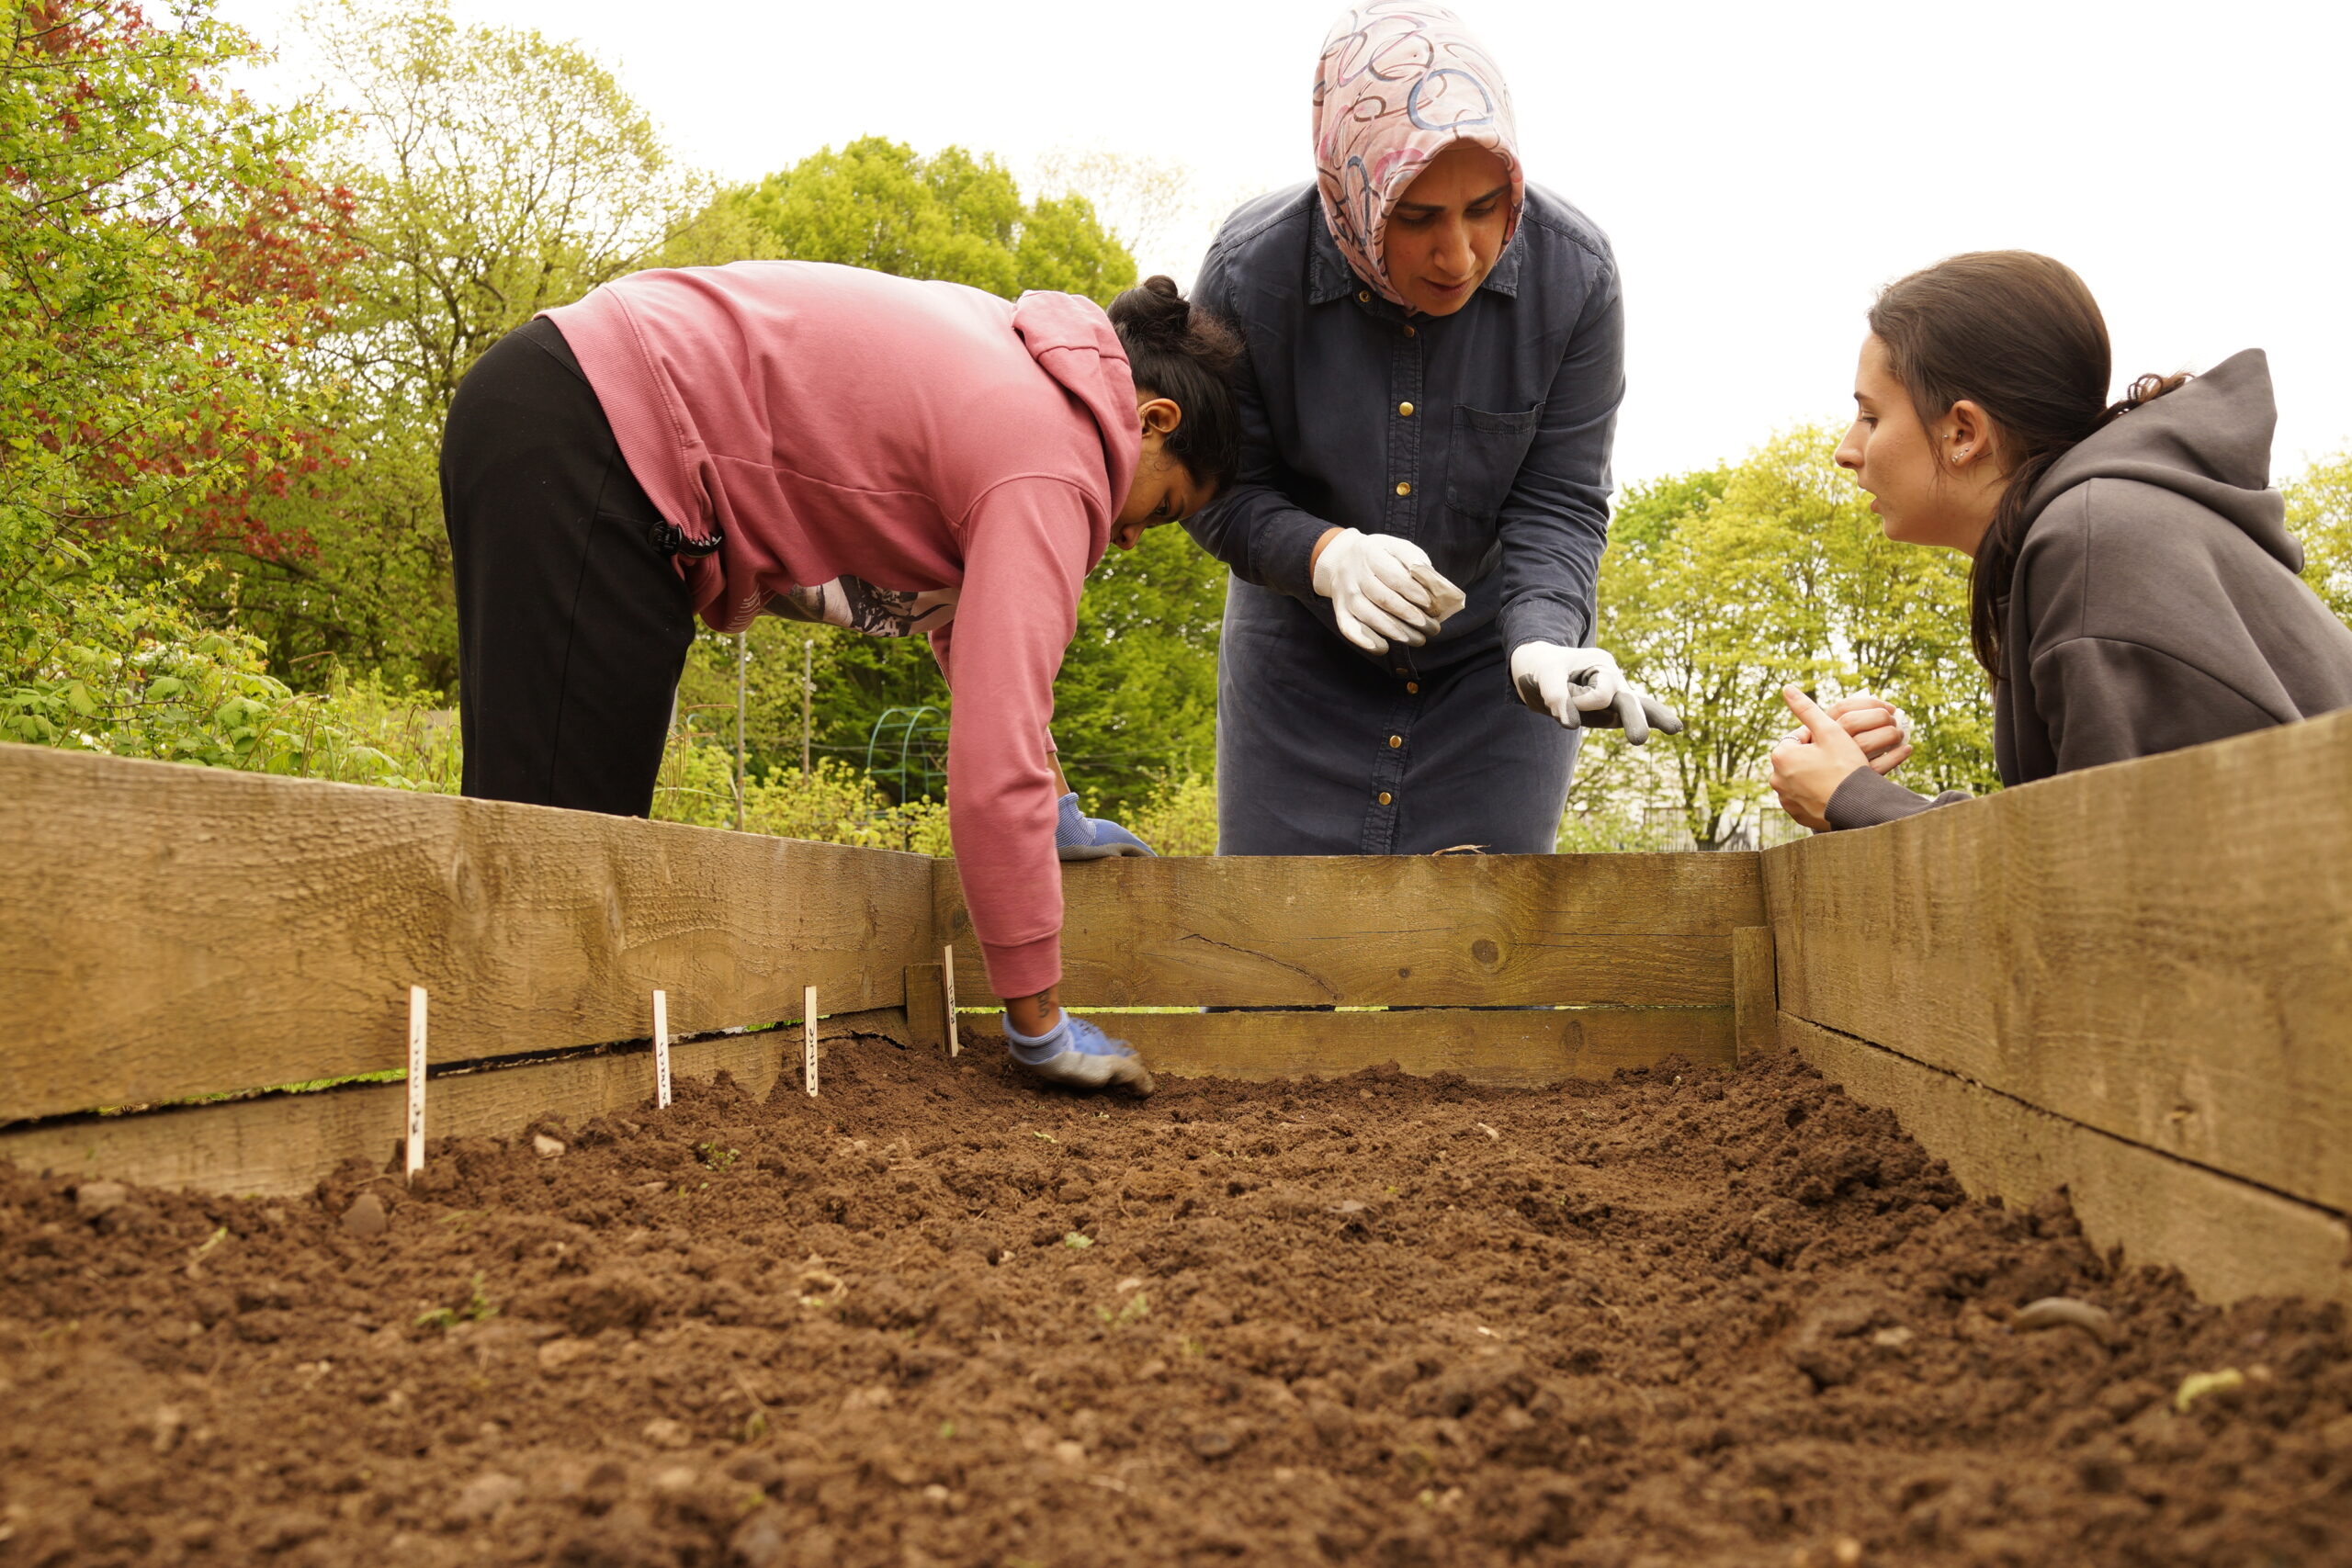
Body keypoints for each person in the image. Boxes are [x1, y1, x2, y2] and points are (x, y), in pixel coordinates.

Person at [439, 264, 1242, 1091]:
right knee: (553, 848)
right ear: (1153, 421)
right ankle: (493, 1136)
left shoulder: (1030, 375)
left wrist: (1058, 814)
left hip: (566, 409)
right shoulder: (1059, 460)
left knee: (554, 827)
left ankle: (507, 1115)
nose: (1135, 537)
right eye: (1167, 508)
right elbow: (992, 768)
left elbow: (986, 657)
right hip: (589, 428)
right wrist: (1041, 1026)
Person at [1182, 1, 1684, 858]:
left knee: (1490, 962)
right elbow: (1215, 489)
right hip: (1301, 653)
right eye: (1416, 217)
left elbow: (1560, 502)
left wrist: (1543, 643)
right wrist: (1325, 555)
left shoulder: (1579, 279)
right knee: (1274, 963)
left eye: (1487, 208)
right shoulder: (1248, 273)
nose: (1460, 254)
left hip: (1498, 672)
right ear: (1351, 188)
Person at [1770, 251, 2352, 830]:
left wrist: (1858, 800)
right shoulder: (2098, 533)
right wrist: (1861, 791)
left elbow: (2123, 875)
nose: (1847, 451)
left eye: (1871, 417)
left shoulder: (2098, 546)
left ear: (1963, 432)